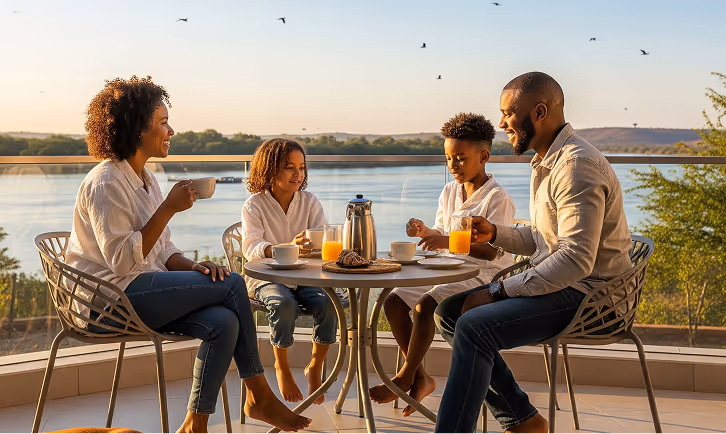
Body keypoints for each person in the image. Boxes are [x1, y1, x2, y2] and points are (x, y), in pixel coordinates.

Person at [65, 76, 311, 434]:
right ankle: (258, 393)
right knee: (233, 284)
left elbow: (162, 250)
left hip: (138, 292)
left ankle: (194, 426)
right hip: (106, 303)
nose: (171, 130)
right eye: (163, 123)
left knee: (224, 322)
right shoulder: (106, 183)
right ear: (137, 130)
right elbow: (120, 261)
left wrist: (194, 267)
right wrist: (168, 208)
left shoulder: (146, 178)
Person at [433, 72, 632, 434]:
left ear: (539, 112)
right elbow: (546, 240)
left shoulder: (575, 166)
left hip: (593, 298)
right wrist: (496, 233)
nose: (501, 122)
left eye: (508, 112)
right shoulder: (548, 162)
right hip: (569, 286)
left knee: (474, 326)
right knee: (448, 312)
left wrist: (497, 290)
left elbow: (575, 259)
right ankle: (523, 421)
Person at [369, 113, 515, 415]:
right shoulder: (449, 192)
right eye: (448, 158)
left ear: (484, 156)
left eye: (460, 158)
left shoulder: (497, 199)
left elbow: (491, 253)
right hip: (449, 268)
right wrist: (427, 232)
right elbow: (442, 232)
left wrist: (447, 241)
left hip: (482, 277)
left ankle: (405, 375)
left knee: (425, 304)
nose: (453, 165)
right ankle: (421, 377)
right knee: (394, 300)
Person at [241, 138, 337, 405]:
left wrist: (316, 246)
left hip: (305, 276)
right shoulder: (255, 205)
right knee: (283, 304)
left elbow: (323, 239)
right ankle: (281, 366)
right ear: (270, 169)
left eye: (302, 167)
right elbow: (251, 247)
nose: (298, 174)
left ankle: (315, 365)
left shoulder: (310, 201)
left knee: (330, 303)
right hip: (267, 279)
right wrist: (283, 249)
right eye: (289, 167)